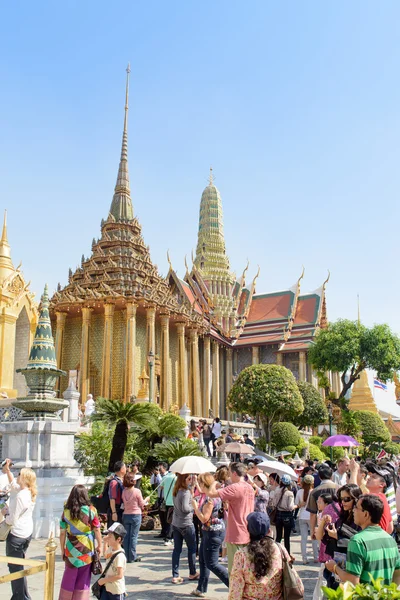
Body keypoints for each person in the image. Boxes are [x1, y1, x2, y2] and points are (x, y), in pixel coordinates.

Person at [325, 494, 400, 586]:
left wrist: (335, 568)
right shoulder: (390, 539)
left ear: (366, 514)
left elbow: (352, 581)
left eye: (356, 507)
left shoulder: (357, 541)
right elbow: (397, 573)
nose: (353, 510)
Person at [228, 511, 304, 600]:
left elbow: (236, 589)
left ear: (248, 530)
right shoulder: (279, 549)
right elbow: (296, 582)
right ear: (268, 530)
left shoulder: (241, 555)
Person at [208, 462, 255, 573]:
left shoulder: (234, 487)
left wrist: (214, 483)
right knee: (246, 568)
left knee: (235, 570)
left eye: (229, 472)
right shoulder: (250, 488)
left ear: (234, 473)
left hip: (236, 531)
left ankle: (235, 590)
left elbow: (211, 493)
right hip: (248, 530)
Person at [59, 484, 102, 600]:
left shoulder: (66, 511)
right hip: (86, 549)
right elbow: (97, 529)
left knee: (69, 578)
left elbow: (62, 532)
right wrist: (100, 545)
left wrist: (62, 549)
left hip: (71, 548)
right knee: (83, 579)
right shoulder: (91, 510)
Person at [191, 473, 229, 597]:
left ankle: (233, 584)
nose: (199, 485)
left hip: (213, 532)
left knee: (212, 563)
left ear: (205, 484)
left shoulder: (210, 499)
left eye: (200, 483)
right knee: (203, 560)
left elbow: (204, 519)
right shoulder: (212, 495)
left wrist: (196, 508)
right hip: (210, 532)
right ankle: (201, 588)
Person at [2, 464, 36, 600]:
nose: (17, 476)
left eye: (19, 474)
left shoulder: (21, 496)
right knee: (18, 566)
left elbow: (11, 520)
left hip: (17, 535)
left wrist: (4, 512)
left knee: (14, 568)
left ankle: (19, 597)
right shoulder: (28, 491)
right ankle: (22, 595)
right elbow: (14, 485)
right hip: (26, 533)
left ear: (24, 478)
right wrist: (7, 470)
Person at [323, 484, 362, 590]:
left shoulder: (360, 518)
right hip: (338, 560)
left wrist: (337, 536)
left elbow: (360, 542)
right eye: (341, 499)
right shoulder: (343, 515)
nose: (343, 502)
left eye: (347, 499)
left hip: (352, 563)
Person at [171, 474, 199, 584]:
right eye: (188, 479)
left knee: (177, 550)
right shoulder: (185, 492)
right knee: (191, 548)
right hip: (186, 523)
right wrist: (194, 506)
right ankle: (192, 572)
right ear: (184, 480)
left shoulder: (176, 490)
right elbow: (185, 508)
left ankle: (175, 574)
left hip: (176, 523)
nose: (190, 480)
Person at [121, 472, 149, 563]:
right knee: (133, 536)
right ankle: (132, 556)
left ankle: (126, 555)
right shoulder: (137, 491)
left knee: (126, 536)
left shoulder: (124, 491)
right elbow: (142, 504)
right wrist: (147, 500)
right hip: (136, 515)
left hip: (126, 515)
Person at [307, 464, 339, 542]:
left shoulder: (314, 491)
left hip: (321, 523)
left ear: (320, 477)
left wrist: (312, 531)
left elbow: (313, 513)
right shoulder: (339, 488)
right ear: (331, 476)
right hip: (337, 522)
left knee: (322, 548)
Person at [98, 522, 127, 599]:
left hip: (116, 590)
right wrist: (105, 543)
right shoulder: (111, 548)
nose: (107, 537)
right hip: (107, 588)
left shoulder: (120, 556)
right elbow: (105, 555)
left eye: (110, 536)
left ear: (118, 539)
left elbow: (119, 575)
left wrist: (104, 580)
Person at [295, 474, 318, 564]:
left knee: (303, 538)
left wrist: (301, 504)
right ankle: (315, 557)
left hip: (302, 516)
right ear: (312, 483)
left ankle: (304, 558)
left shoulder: (299, 492)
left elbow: (297, 504)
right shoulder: (314, 492)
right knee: (314, 537)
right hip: (312, 516)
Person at [365, 462, 394, 533]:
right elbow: (390, 528)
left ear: (382, 484)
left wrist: (354, 471)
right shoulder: (383, 498)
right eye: (370, 476)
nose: (369, 478)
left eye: (373, 477)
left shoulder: (374, 498)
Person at [271, 474, 295, 555]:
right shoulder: (289, 493)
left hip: (278, 513)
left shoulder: (277, 490)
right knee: (287, 537)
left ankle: (276, 552)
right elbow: (290, 507)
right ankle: (287, 554)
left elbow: (274, 503)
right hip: (287, 515)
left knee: (278, 536)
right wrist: (297, 506)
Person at [315, 493, 340, 563]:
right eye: (317, 502)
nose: (318, 504)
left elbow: (320, 535)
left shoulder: (325, 515)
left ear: (326, 504)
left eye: (320, 502)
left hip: (327, 545)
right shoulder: (320, 514)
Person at [159, 467, 176, 546]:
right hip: (174, 502)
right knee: (172, 521)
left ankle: (170, 536)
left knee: (168, 520)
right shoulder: (176, 478)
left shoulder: (165, 477)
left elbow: (161, 487)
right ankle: (169, 537)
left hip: (167, 501)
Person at [108, 461, 127, 525]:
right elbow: (112, 498)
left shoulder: (122, 480)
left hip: (122, 509)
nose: (126, 469)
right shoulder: (114, 482)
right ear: (121, 469)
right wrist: (114, 512)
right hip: (116, 509)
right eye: (125, 467)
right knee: (115, 533)